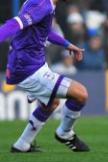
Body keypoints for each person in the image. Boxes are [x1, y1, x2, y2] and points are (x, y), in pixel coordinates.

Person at [0, 0, 90, 153]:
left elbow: (42, 31)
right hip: (28, 68)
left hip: (30, 64)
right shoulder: (43, 4)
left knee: (51, 103)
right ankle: (65, 133)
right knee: (81, 94)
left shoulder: (38, 2)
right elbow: (17, 23)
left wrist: (67, 44)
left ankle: (22, 144)